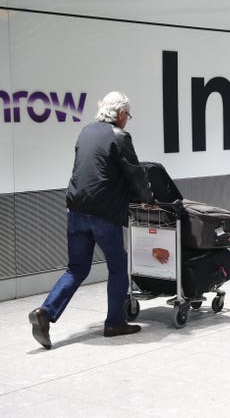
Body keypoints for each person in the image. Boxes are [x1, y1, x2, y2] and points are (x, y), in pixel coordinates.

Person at [28, 91, 154, 349]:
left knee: (76, 268)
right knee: (118, 267)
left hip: (75, 211)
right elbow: (134, 173)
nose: (127, 120)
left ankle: (45, 313)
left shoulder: (86, 132)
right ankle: (114, 323)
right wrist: (148, 199)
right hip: (103, 215)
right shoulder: (119, 136)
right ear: (120, 114)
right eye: (127, 116)